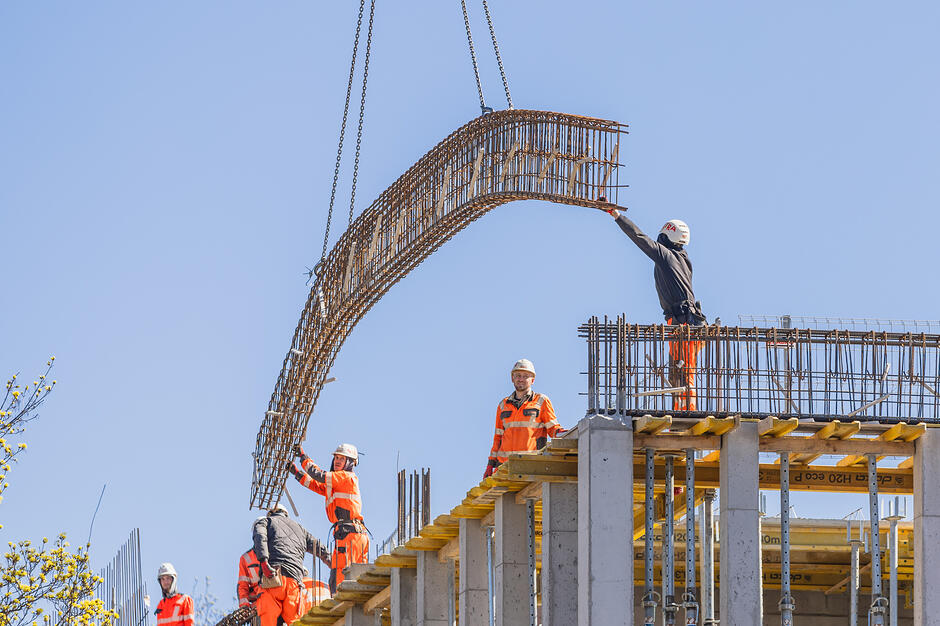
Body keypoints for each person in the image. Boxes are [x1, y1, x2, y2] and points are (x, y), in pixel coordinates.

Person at [605, 205, 706, 410]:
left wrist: (616, 216)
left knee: (683, 371)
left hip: (684, 322)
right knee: (683, 370)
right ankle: (684, 409)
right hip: (690, 321)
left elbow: (640, 238)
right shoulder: (684, 259)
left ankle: (687, 412)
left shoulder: (665, 255)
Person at [287, 443, 370, 594]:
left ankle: (347, 611)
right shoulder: (336, 483)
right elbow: (315, 484)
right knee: (336, 580)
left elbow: (318, 475)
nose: (337, 461)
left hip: (351, 536)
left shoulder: (346, 477)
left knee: (344, 580)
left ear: (350, 463)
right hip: (345, 535)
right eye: (336, 458)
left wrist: (302, 457)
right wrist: (296, 473)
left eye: (342, 458)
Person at [252, 503, 330, 626]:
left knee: (268, 620)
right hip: (294, 582)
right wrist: (330, 561)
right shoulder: (300, 529)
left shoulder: (265, 522)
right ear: (286, 514)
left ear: (271, 513)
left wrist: (264, 562)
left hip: (273, 578)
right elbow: (318, 547)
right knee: (294, 622)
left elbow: (260, 537)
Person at [484, 359, 563, 478]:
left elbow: (553, 429)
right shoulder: (503, 405)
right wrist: (490, 464)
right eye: (518, 375)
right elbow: (498, 438)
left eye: (525, 376)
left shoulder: (541, 401)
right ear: (512, 378)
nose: (521, 379)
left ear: (532, 380)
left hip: (531, 465)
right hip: (504, 468)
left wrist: (563, 434)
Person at [237, 522, 263, 609]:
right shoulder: (246, 558)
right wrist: (244, 607)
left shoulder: (276, 552)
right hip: (258, 605)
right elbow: (243, 585)